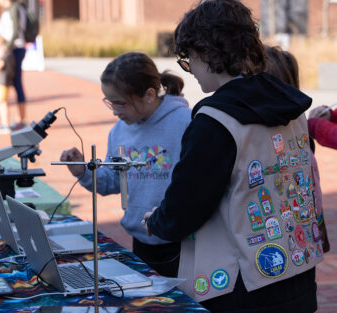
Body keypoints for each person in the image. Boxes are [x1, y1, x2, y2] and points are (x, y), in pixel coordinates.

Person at [143, 1, 322, 312]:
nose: (191, 70)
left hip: (239, 286)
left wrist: (157, 221)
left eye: (189, 60)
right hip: (296, 269)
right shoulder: (291, 107)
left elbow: (188, 201)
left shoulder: (216, 121)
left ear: (209, 54)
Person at [60, 52, 191, 277]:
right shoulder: (119, 131)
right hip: (140, 240)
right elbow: (112, 181)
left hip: (183, 244)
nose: (114, 111)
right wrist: (83, 172)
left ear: (149, 95)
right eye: (110, 102)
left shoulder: (185, 122)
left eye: (120, 103)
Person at [265, 45, 330, 253]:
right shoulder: (297, 122)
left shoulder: (290, 126)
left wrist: (316, 126)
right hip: (304, 226)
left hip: (295, 228)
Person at [0, 0, 27, 130]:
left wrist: (5, 50)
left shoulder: (12, 10)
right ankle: (20, 120)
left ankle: (6, 122)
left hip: (12, 50)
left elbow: (13, 31)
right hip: (17, 48)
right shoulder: (20, 9)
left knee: (5, 82)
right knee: (17, 83)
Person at [0, 35, 15, 134]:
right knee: (0, 101)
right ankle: (4, 122)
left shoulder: (5, 55)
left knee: (1, 102)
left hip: (3, 82)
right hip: (4, 81)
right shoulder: (9, 54)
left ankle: (5, 124)